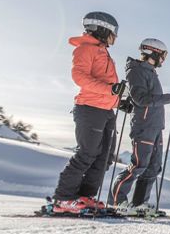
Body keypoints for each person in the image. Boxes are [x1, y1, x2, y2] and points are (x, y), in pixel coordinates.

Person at [52, 12, 126, 214]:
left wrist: (120, 101)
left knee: (105, 157)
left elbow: (107, 86)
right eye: (114, 33)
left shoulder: (103, 52)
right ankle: (63, 198)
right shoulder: (85, 49)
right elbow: (80, 77)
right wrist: (111, 90)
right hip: (89, 109)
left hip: (106, 110)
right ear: (102, 29)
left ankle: (85, 196)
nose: (115, 37)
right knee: (87, 153)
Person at [110, 38, 170, 213]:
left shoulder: (150, 72)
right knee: (139, 164)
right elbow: (141, 99)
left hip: (155, 125)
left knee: (154, 166)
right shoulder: (137, 71)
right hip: (144, 125)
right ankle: (118, 202)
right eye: (163, 56)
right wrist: (169, 98)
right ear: (153, 52)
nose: (163, 60)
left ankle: (139, 204)